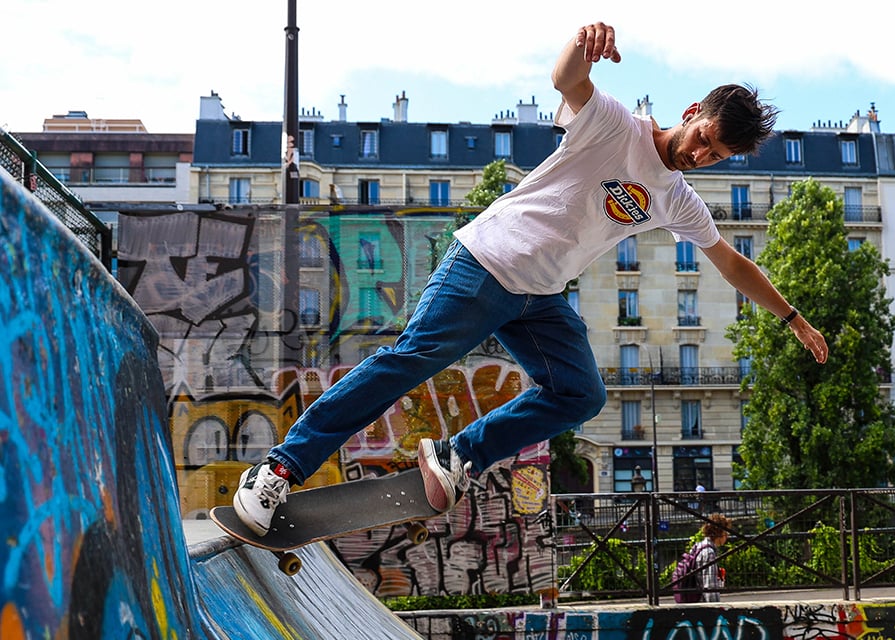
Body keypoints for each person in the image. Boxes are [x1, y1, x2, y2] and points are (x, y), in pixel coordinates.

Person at [232, 21, 830, 537]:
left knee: (581, 393)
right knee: (407, 361)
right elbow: (568, 81)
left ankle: (454, 455)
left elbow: (731, 261)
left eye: (717, 157)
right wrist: (582, 40)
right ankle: (278, 470)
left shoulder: (677, 199)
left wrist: (794, 319)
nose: (701, 157)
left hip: (539, 297)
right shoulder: (616, 125)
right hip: (486, 263)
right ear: (693, 113)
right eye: (705, 141)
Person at [691, 513, 731, 602]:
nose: (727, 536)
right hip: (703, 604)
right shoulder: (709, 553)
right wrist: (715, 609)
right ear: (719, 533)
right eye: (726, 532)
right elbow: (710, 587)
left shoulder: (699, 546)